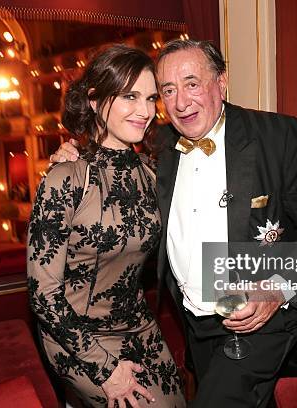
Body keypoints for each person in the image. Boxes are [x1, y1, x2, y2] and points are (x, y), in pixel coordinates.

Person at [52, 39, 297, 407]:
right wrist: (75, 154)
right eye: (168, 90)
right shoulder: (156, 145)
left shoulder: (274, 137)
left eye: (192, 84)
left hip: (265, 321)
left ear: (221, 82)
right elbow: (110, 157)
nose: (180, 103)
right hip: (197, 326)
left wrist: (277, 288)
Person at [27, 44, 185, 408]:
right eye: (130, 96)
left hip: (138, 325)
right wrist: (106, 369)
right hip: (74, 335)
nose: (146, 111)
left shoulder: (150, 171)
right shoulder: (66, 178)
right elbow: (43, 296)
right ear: (96, 101)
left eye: (150, 98)